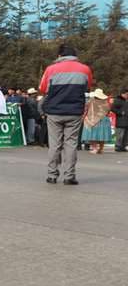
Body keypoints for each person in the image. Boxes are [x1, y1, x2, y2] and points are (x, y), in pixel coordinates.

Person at [39, 44, 93, 185]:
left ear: (59, 55)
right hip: (74, 111)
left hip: (54, 111)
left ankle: (52, 175)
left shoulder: (51, 69)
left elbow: (42, 88)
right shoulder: (85, 69)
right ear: (75, 55)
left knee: (55, 144)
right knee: (71, 144)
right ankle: (69, 176)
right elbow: (88, 87)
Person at [81, 89, 112, 155]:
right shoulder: (105, 102)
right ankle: (101, 149)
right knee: (102, 135)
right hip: (103, 119)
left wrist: (83, 117)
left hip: (91, 119)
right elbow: (108, 110)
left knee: (92, 134)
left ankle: (95, 148)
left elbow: (85, 109)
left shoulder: (90, 101)